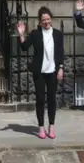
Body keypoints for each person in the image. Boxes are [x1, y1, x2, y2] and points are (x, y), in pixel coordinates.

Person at [16, 7, 64, 139]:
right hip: (40, 72)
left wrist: (61, 68)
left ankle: (52, 126)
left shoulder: (58, 34)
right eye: (44, 20)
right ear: (40, 21)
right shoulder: (36, 34)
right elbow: (25, 47)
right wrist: (21, 34)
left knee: (52, 99)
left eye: (48, 19)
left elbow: (60, 52)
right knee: (41, 100)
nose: (46, 22)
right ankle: (41, 127)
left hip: (53, 71)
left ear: (51, 19)